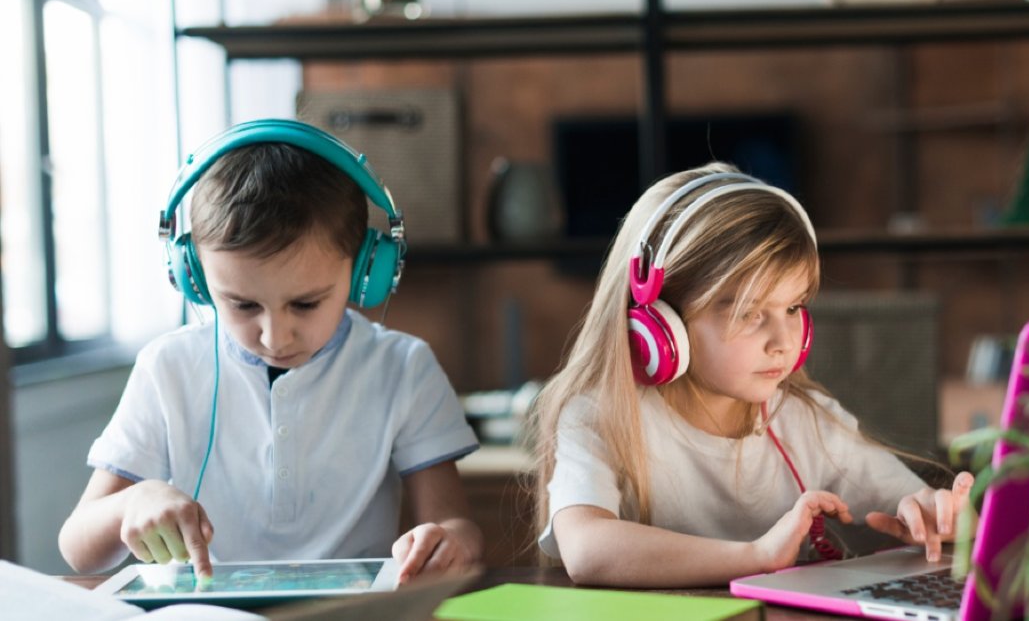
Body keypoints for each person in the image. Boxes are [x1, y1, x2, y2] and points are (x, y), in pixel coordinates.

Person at [58, 120, 482, 583]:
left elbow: (455, 523)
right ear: (195, 277)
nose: (275, 336)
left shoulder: (403, 367)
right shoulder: (167, 368)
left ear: (366, 271)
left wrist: (449, 542)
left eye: (305, 303)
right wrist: (130, 504)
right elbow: (78, 548)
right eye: (242, 305)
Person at [532, 163, 974, 588]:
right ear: (661, 324)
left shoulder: (805, 421)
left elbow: (910, 505)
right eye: (749, 313)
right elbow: (587, 548)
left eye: (793, 307)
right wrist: (757, 557)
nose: (783, 340)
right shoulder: (602, 416)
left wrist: (936, 514)